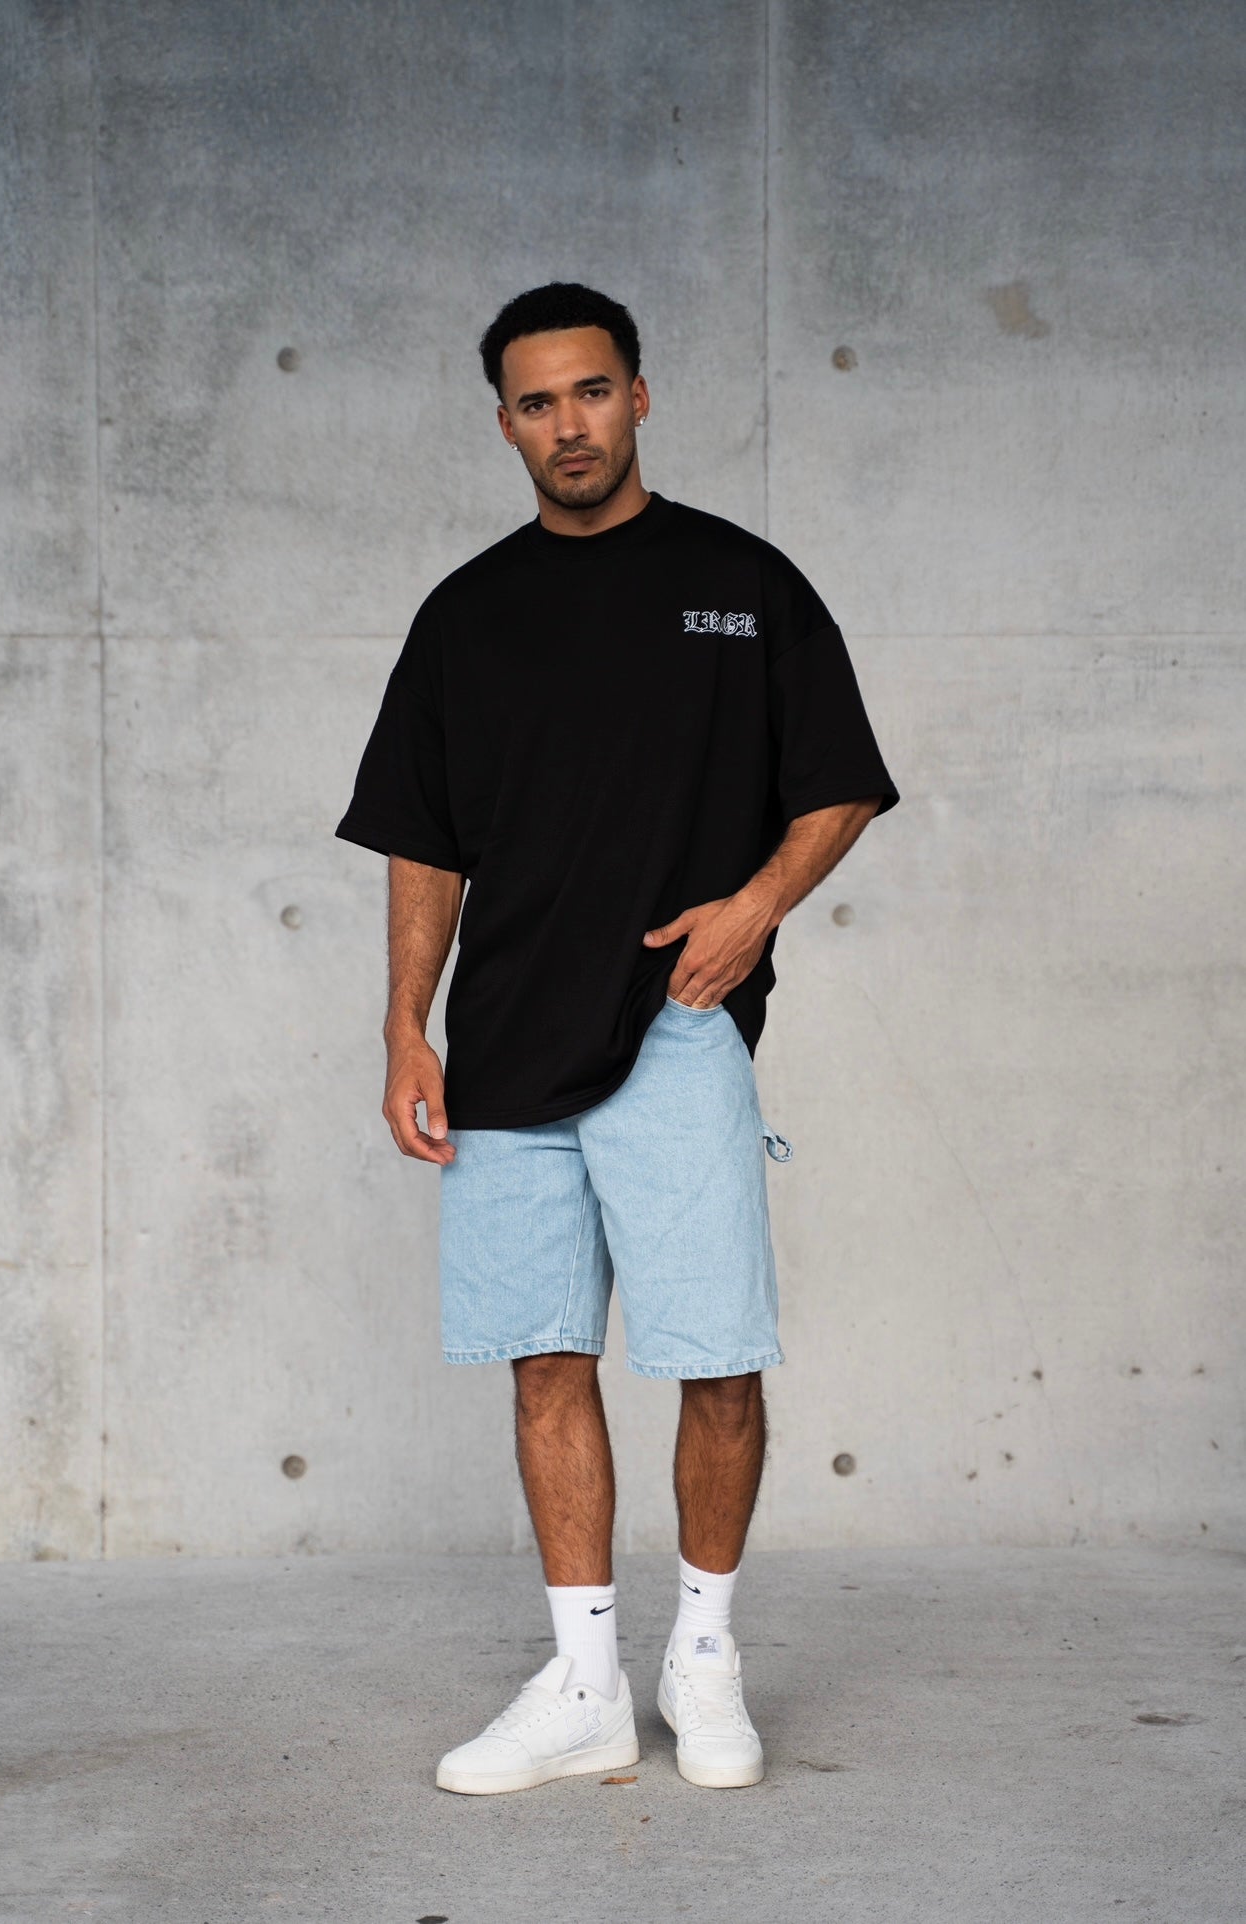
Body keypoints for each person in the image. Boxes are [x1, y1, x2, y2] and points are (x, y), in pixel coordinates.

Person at [335, 282, 899, 1795]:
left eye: (591, 392)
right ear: (504, 421)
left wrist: (758, 908)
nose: (567, 425)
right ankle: (583, 1685)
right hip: (506, 1045)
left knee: (714, 1359)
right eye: (535, 402)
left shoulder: (741, 582)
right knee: (542, 1363)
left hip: (672, 1028)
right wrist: (404, 1025)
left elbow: (837, 778)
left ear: (639, 397)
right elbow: (421, 843)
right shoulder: (466, 613)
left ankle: (702, 1660)